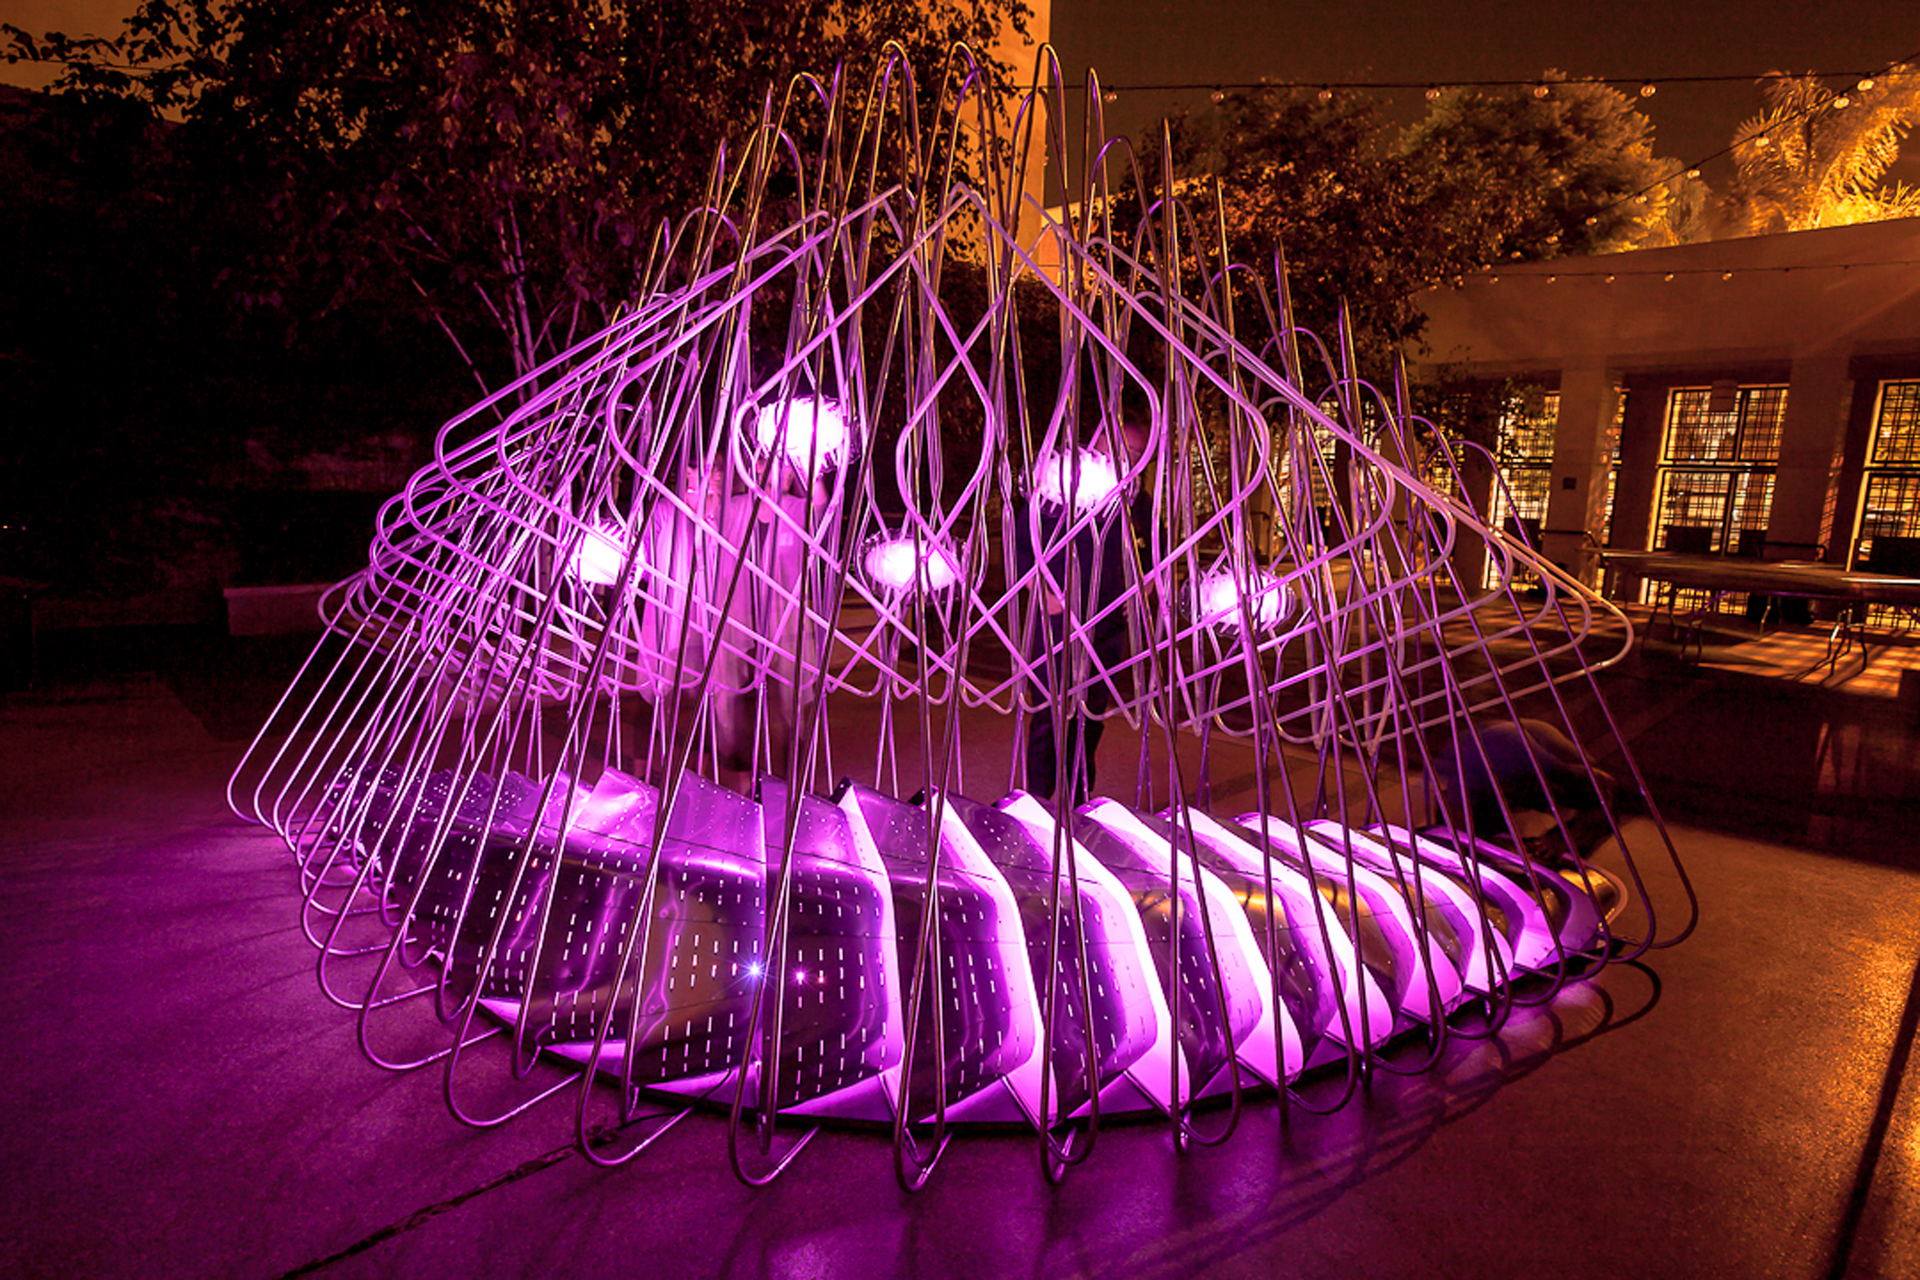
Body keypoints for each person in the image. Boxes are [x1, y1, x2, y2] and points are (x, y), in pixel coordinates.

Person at [1012, 411, 1155, 803]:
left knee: (1090, 716)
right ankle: (1038, 803)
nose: (1126, 458)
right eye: (1120, 447)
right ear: (1098, 442)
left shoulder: (1135, 499)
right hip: (1059, 620)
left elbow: (1152, 553)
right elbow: (1023, 544)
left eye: (1137, 453)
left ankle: (1078, 800)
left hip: (1108, 622)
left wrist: (1142, 588)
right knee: (1050, 713)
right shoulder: (1059, 485)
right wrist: (1041, 592)